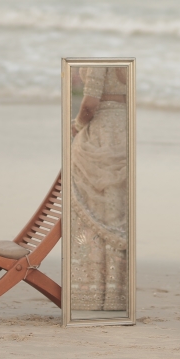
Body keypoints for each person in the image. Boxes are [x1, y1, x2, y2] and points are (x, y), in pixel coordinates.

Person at [69, 66, 129, 312]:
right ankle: (118, 294)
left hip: (101, 130)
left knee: (95, 207)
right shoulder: (128, 62)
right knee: (118, 211)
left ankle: (93, 291)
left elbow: (89, 105)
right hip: (125, 128)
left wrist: (76, 127)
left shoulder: (98, 61)